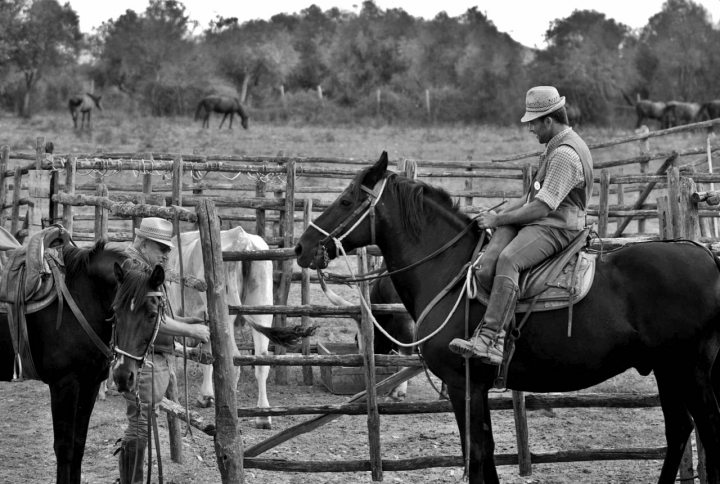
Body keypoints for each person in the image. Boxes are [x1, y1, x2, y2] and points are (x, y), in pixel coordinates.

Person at [449, 86, 593, 365]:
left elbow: (541, 207)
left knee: (509, 259)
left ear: (548, 121)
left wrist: (497, 219)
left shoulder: (564, 154)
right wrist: (497, 216)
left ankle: (491, 339)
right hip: (545, 220)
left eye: (533, 123)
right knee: (491, 252)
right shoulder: (557, 146)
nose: (531, 130)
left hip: (559, 227)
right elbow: (530, 198)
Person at [116, 217, 210, 484]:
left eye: (168, 249)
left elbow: (157, 315)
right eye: (161, 248)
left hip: (148, 356)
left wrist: (186, 323)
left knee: (141, 423)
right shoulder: (137, 271)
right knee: (140, 425)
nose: (166, 255)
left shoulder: (142, 268)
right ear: (144, 244)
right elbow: (150, 317)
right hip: (144, 359)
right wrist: (192, 331)